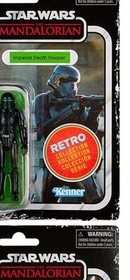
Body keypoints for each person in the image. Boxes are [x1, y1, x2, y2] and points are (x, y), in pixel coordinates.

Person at [33, 65, 104, 203]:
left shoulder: (76, 102)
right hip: (53, 159)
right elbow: (43, 129)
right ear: (58, 81)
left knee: (94, 201)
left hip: (77, 160)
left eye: (75, 83)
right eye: (69, 82)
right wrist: (71, 110)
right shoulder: (43, 100)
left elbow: (89, 131)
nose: (73, 87)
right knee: (48, 204)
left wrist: (94, 112)